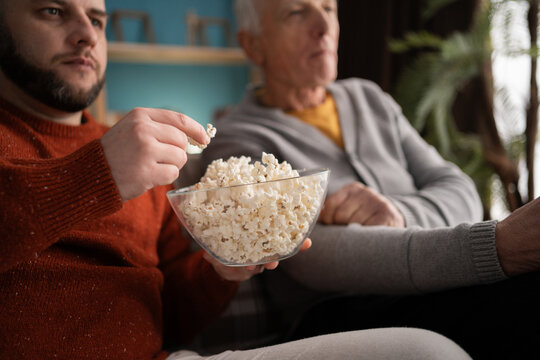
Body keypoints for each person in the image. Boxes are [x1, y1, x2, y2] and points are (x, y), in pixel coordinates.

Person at [0, 0, 477, 359]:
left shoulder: (137, 159)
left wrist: (220, 270)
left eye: (98, 20)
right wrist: (95, 174)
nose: (86, 34)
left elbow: (176, 316)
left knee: (428, 352)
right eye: (52, 11)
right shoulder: (124, 156)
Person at [199, 0, 540, 358]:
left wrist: (397, 213)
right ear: (253, 44)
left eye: (329, 9)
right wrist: (498, 247)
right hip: (341, 316)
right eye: (296, 13)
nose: (324, 27)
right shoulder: (237, 142)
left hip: (442, 288)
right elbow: (315, 258)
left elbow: (460, 190)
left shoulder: (369, 98)